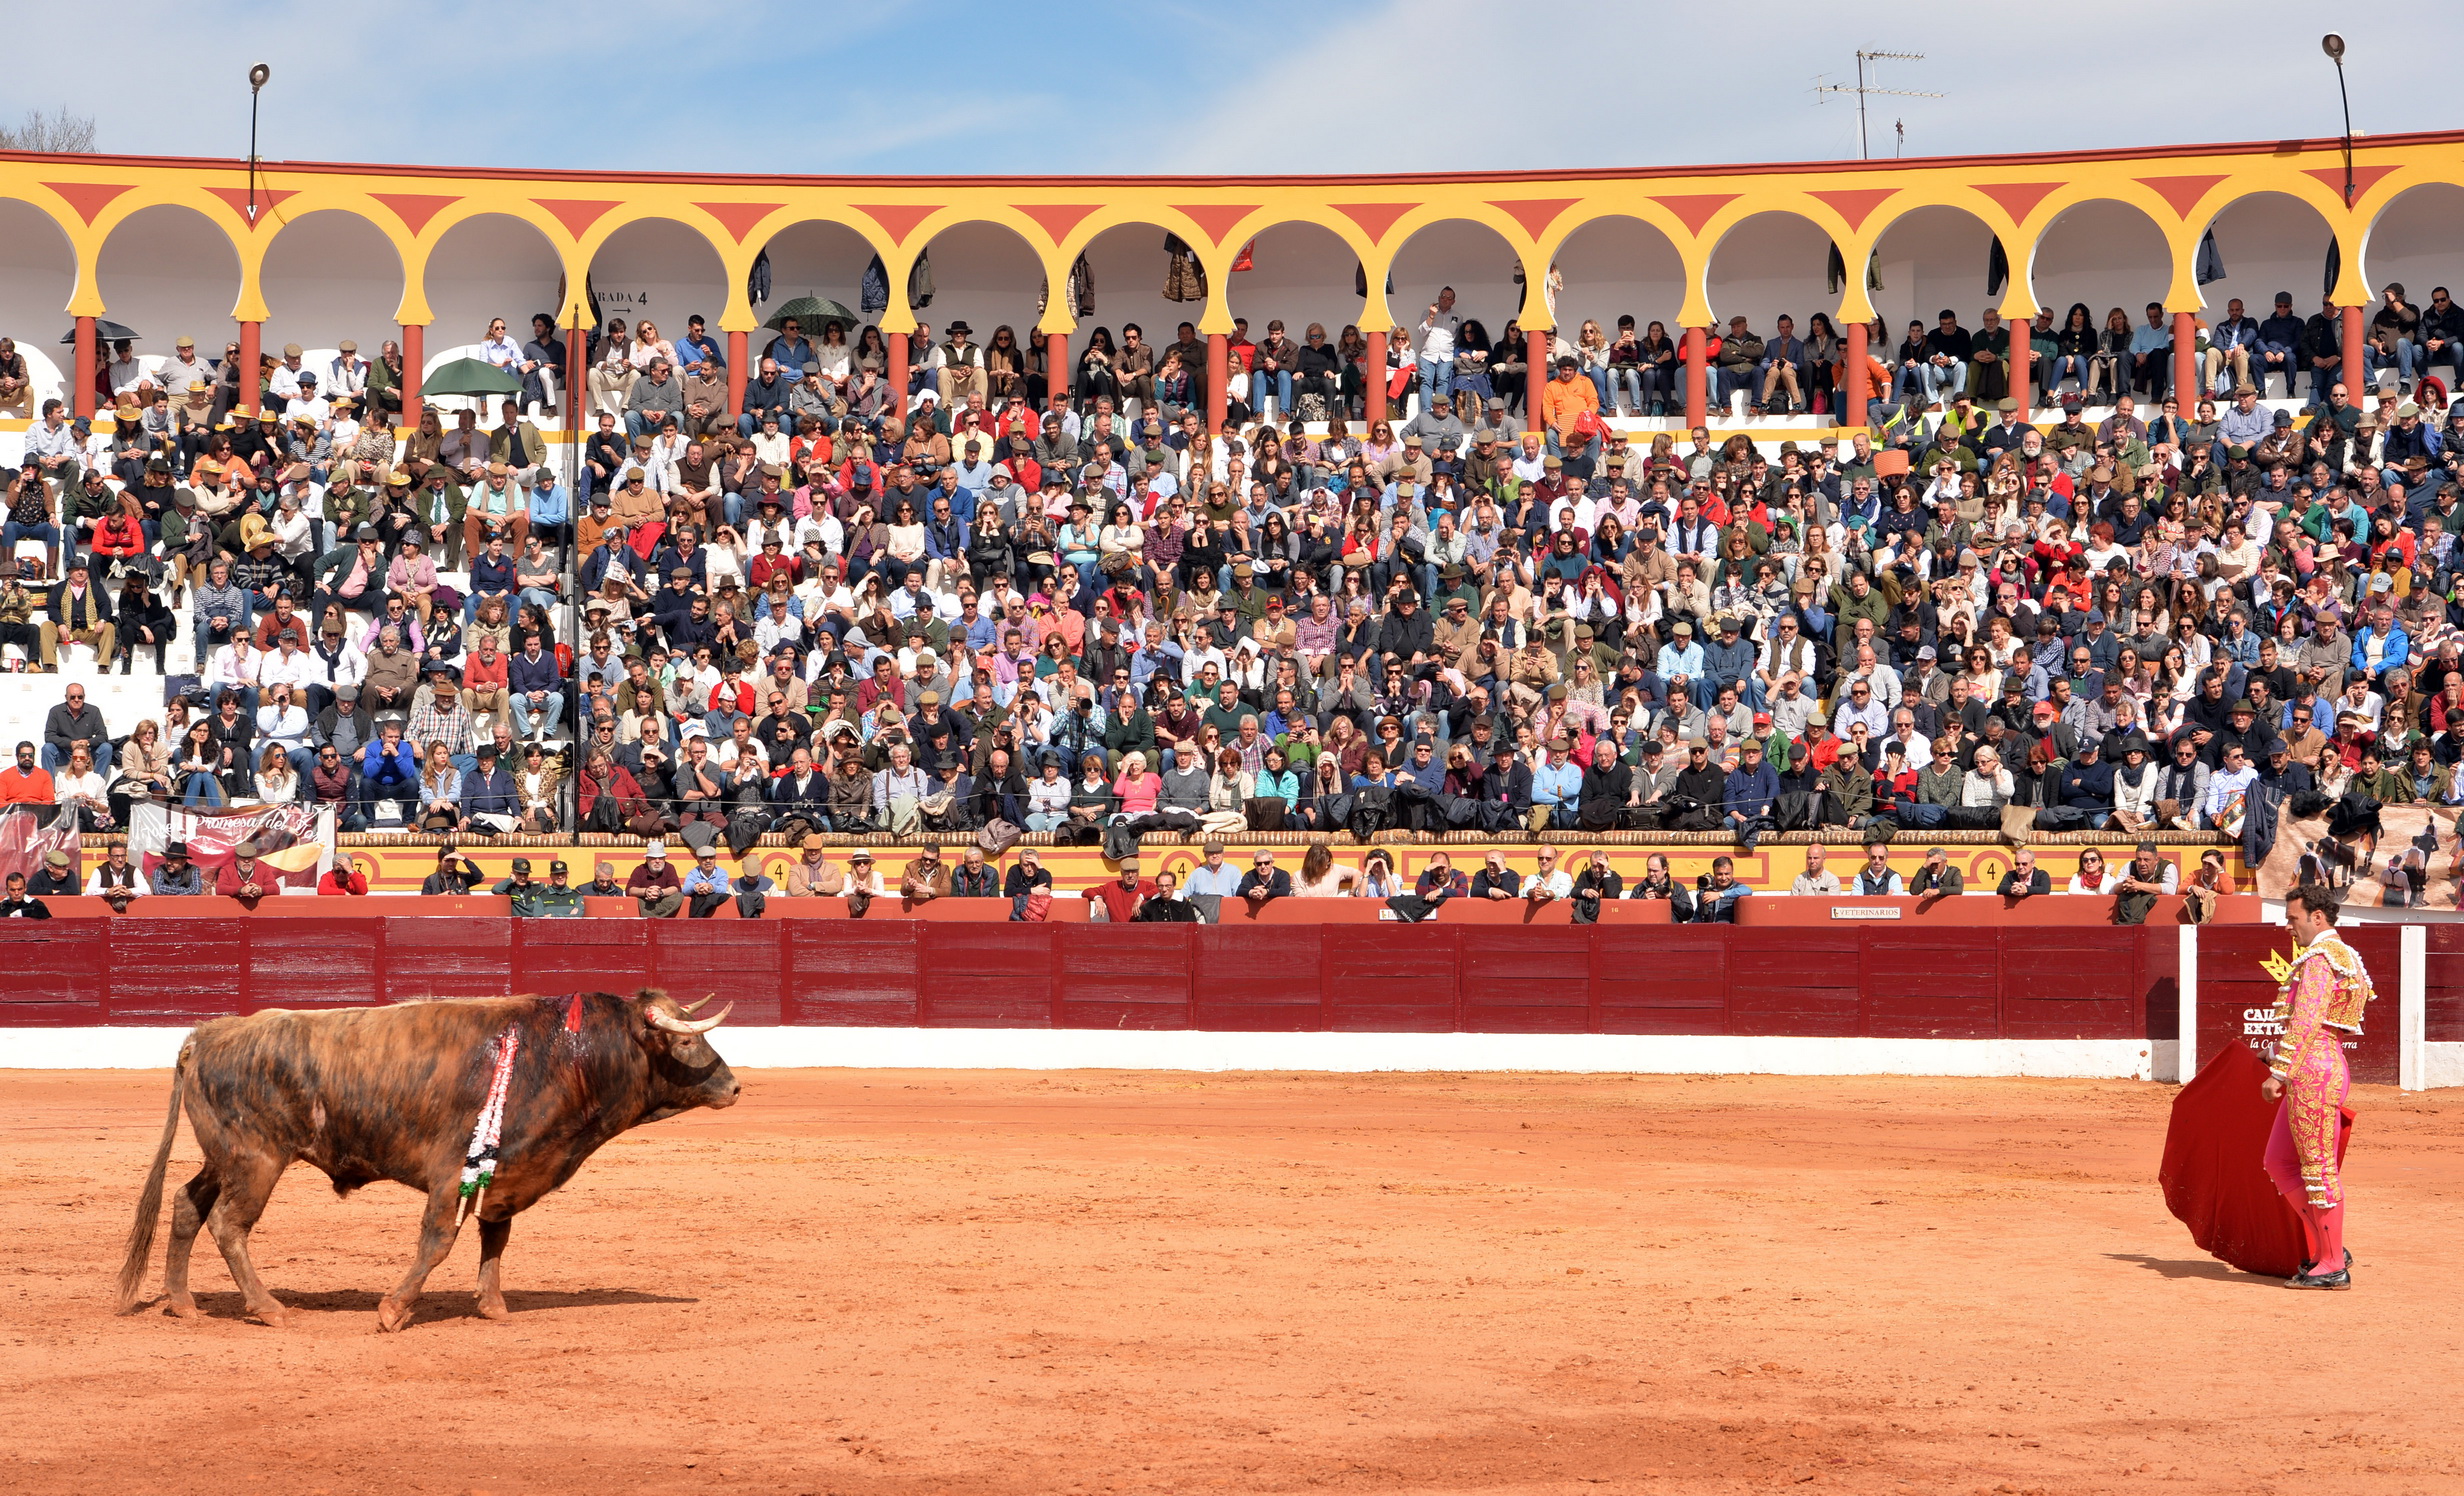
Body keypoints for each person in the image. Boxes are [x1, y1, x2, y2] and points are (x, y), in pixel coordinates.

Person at [2264, 884, 2374, 1289]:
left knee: (2318, 1169)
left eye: (2293, 918)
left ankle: (2331, 1263)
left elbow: (2307, 1022)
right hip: (2318, 1065)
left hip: (2312, 1072)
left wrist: (2279, 1072)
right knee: (2278, 1161)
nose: (2289, 926)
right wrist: (2277, 1058)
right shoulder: (2344, 956)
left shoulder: (2320, 958)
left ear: (2318, 917)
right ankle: (2328, 1245)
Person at [2111, 841, 2178, 925]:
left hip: (2161, 919)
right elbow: (2113, 889)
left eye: (2146, 860)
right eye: (2138, 859)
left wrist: (2140, 885)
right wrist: (2125, 884)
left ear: (2156, 860)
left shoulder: (2168, 867)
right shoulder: (2129, 865)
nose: (2142, 863)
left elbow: (2171, 889)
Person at [628, 840, 684, 917]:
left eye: (660, 858)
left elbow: (676, 888)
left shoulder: (669, 868)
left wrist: (660, 892)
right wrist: (646, 891)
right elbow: (630, 890)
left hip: (664, 902)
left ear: (664, 859)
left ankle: (653, 916)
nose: (657, 861)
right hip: (645, 904)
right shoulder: (640, 869)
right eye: (653, 858)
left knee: (678, 896)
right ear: (647, 859)